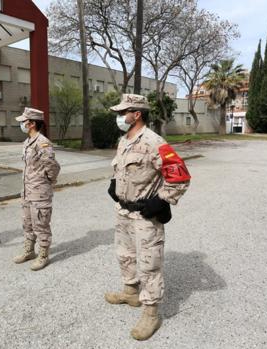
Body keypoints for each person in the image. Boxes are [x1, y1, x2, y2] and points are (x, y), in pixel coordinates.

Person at [104, 94, 191, 340]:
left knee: (149, 264)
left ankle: (151, 313)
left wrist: (162, 199)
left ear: (137, 114)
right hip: (123, 211)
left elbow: (180, 176)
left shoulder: (154, 142)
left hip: (144, 215)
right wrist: (114, 185)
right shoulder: (124, 141)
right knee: (125, 255)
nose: (119, 117)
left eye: (123, 113)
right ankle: (130, 292)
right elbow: (122, 169)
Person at [12, 107, 61, 271]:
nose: (22, 124)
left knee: (41, 224)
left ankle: (43, 255)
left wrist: (48, 181)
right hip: (27, 191)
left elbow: (52, 166)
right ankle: (29, 251)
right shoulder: (27, 142)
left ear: (32, 124)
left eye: (24, 122)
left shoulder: (43, 143)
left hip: (40, 191)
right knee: (27, 223)